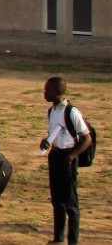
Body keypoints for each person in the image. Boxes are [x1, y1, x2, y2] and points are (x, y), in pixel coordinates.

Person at [42, 77, 92, 245]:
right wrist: (46, 141)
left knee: (71, 202)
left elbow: (87, 139)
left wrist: (72, 156)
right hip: (55, 156)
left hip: (68, 158)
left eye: (47, 90)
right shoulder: (51, 111)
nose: (44, 93)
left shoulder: (71, 112)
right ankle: (58, 238)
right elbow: (55, 134)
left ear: (57, 92)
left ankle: (73, 241)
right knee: (57, 200)